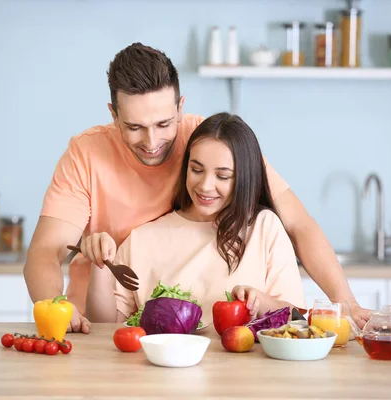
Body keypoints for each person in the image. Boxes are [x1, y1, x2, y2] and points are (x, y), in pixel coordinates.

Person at [23, 42, 371, 334]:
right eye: (134, 127)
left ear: (180, 107)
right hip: (94, 321)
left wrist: (348, 304)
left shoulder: (212, 142)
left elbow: (298, 224)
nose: (152, 141)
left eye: (163, 123)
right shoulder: (86, 153)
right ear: (114, 115)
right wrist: (55, 311)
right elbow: (44, 252)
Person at [90, 112, 307, 323]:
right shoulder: (141, 240)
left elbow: (295, 319)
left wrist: (261, 302)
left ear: (244, 178)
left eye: (222, 176)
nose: (205, 186)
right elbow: (105, 327)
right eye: (196, 170)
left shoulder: (264, 227)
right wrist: (99, 264)